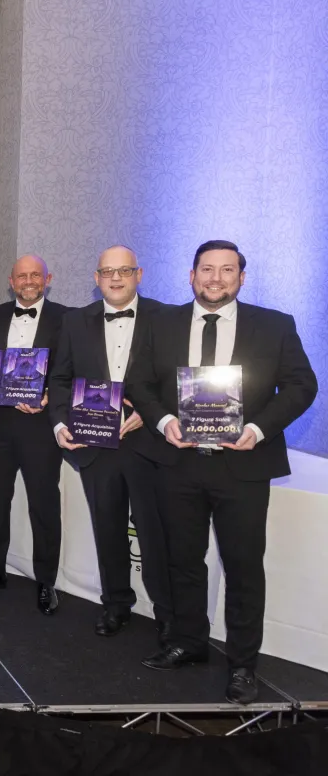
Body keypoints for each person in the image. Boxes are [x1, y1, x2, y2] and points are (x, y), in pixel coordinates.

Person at [127, 240, 316, 705]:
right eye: (207, 269)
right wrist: (164, 421)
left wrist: (259, 428)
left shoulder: (274, 325)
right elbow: (138, 382)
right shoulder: (161, 323)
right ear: (191, 275)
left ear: (241, 278)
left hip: (243, 466)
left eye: (227, 270)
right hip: (179, 463)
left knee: (243, 566)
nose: (216, 278)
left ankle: (243, 665)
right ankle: (189, 642)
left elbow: (302, 385)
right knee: (182, 560)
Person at [49, 246, 174, 641]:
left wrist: (155, 414)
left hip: (148, 444)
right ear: (96, 277)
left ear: (139, 274)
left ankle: (168, 613)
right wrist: (59, 423)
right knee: (108, 530)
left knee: (155, 534)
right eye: (107, 272)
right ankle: (116, 603)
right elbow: (60, 379)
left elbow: (179, 377)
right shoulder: (74, 321)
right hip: (95, 445)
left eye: (124, 271)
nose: (115, 278)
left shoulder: (167, 318)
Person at [0, 254, 73, 614]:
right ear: (11, 282)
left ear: (47, 279)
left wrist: (50, 395)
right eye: (21, 276)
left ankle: (46, 581)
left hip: (40, 426)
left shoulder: (67, 318)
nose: (28, 281)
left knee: (43, 504)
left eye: (35, 275)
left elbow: (71, 370)